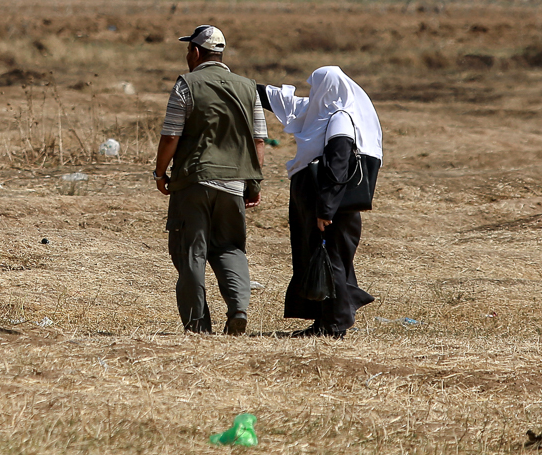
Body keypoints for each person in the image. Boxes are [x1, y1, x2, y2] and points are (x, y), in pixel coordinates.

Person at [154, 25, 266, 336]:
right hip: (234, 184)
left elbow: (171, 136)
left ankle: (198, 325)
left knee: (192, 252)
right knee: (230, 248)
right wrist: (253, 183)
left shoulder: (186, 85)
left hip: (195, 182)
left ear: (195, 52)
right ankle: (238, 308)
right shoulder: (248, 87)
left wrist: (160, 172)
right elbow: (258, 142)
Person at [258, 66, 383, 339]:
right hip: (317, 198)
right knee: (320, 259)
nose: (313, 93)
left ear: (327, 89)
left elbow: (338, 165)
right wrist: (233, 82)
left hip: (329, 203)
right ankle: (323, 321)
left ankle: (334, 325)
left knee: (333, 261)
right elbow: (279, 99)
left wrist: (325, 209)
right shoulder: (320, 112)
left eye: (317, 87)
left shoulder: (339, 118)